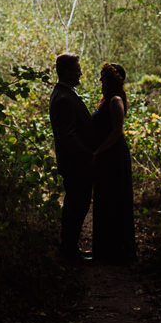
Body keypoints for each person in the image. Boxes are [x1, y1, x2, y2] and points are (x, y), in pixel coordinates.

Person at [48, 52, 94, 263]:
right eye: (76, 70)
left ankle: (69, 248)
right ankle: (68, 250)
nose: (80, 73)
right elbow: (68, 135)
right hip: (75, 163)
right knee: (77, 205)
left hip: (74, 162)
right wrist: (88, 156)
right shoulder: (64, 98)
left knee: (77, 204)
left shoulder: (64, 94)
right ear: (65, 71)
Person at [90, 62, 136, 264]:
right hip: (106, 156)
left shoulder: (116, 100)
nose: (101, 80)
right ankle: (104, 250)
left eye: (103, 77)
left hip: (114, 157)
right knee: (104, 200)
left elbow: (117, 132)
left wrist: (97, 152)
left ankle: (117, 252)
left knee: (115, 200)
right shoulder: (105, 100)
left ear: (111, 80)